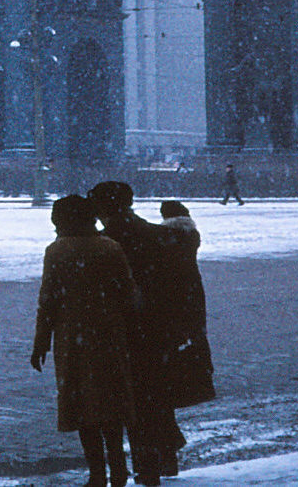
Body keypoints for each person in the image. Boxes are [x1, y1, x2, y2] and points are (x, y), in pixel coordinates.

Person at [31, 195, 137, 487]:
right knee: (111, 408)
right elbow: (128, 294)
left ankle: (97, 473)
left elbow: (48, 300)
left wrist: (41, 342)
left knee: (82, 409)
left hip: (72, 340)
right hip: (109, 337)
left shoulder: (57, 251)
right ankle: (118, 468)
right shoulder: (110, 248)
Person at [89, 181, 182, 485]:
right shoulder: (158, 235)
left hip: (121, 332)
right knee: (154, 397)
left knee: (128, 402)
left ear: (106, 208)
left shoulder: (103, 244)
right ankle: (160, 458)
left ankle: (144, 467)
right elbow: (177, 287)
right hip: (156, 330)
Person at [158, 201, 217, 415]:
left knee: (176, 334)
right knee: (197, 331)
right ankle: (203, 373)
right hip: (193, 285)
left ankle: (182, 379)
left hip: (173, 288)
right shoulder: (192, 235)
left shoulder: (164, 236)